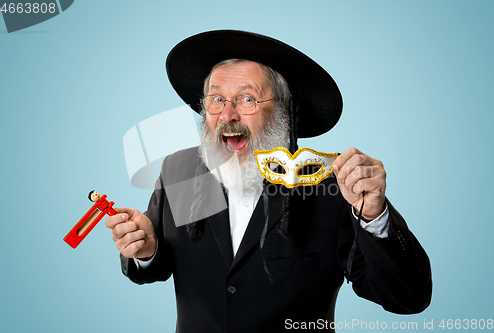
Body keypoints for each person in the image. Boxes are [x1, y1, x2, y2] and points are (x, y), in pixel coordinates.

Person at [105, 30, 432, 332]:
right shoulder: (182, 170)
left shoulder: (332, 187)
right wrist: (146, 250)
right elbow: (160, 265)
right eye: (216, 99)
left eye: (247, 99)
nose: (228, 115)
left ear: (284, 112)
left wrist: (374, 217)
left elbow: (407, 298)